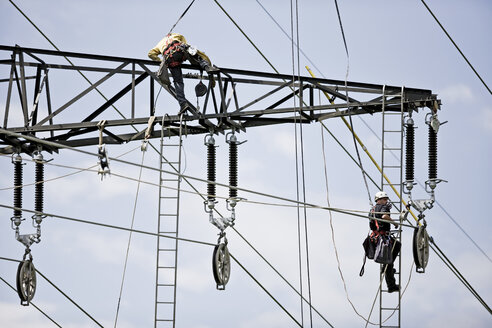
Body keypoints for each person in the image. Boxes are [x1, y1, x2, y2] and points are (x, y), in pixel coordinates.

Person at [148, 33, 215, 114]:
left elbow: (150, 54)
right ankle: (206, 66)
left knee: (178, 82)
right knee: (195, 55)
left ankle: (183, 104)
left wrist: (160, 61)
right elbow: (184, 42)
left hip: (169, 58)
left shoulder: (159, 44)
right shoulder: (176, 35)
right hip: (179, 49)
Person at [369, 191, 400, 293]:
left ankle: (386, 269)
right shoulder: (383, 207)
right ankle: (391, 285)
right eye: (385, 199)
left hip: (376, 238)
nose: (386, 201)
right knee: (389, 261)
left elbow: (372, 225)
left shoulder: (372, 210)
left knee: (396, 247)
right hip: (383, 238)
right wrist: (394, 223)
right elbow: (384, 216)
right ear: (380, 200)